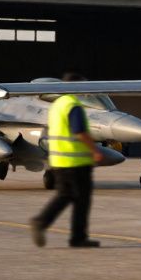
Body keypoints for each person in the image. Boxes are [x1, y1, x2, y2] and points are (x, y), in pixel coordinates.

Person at [30, 73, 105, 248]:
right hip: (76, 163)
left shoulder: (57, 105)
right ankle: (71, 235)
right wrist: (95, 151)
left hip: (58, 160)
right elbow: (80, 132)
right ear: (76, 87)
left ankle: (49, 225)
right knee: (80, 199)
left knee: (67, 196)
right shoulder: (74, 106)